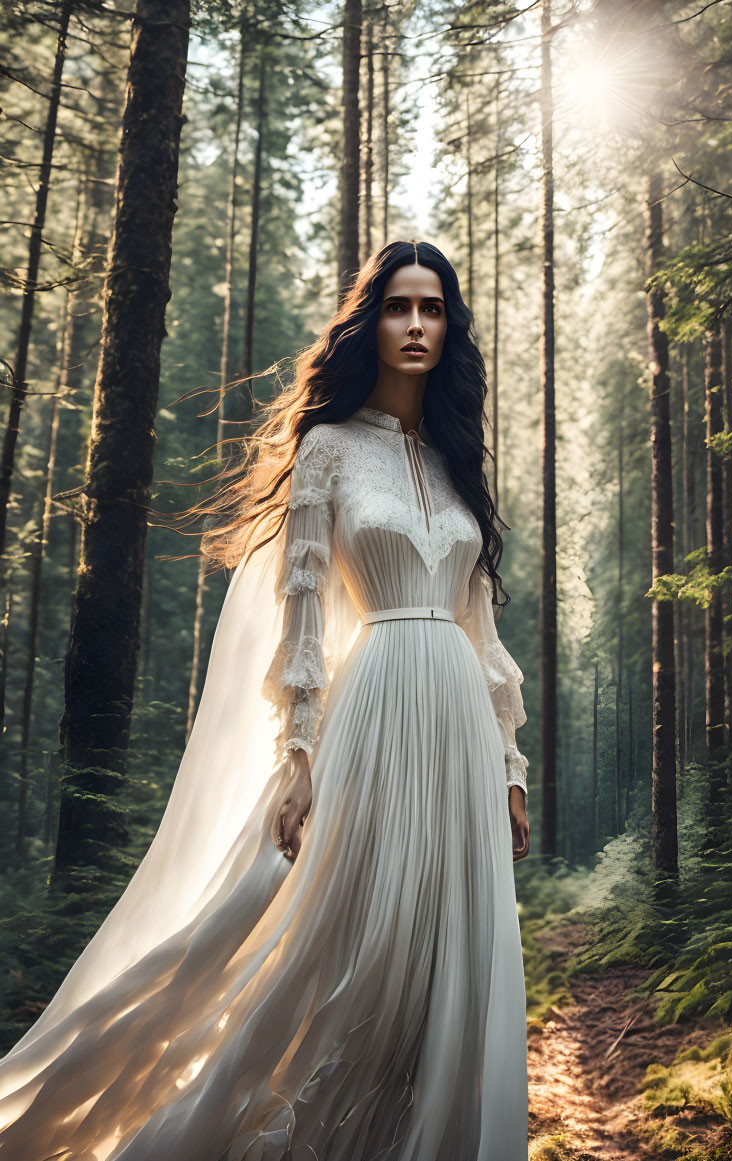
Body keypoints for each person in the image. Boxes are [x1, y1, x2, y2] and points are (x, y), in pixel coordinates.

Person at [0, 240, 531, 1160]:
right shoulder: (327, 449)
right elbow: (303, 619)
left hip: (461, 732)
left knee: (449, 959)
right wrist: (298, 756)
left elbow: (483, 634)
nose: (416, 324)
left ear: (450, 326)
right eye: (399, 307)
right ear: (372, 323)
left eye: (432, 308)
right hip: (371, 717)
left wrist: (512, 768)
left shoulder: (455, 464)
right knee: (350, 945)